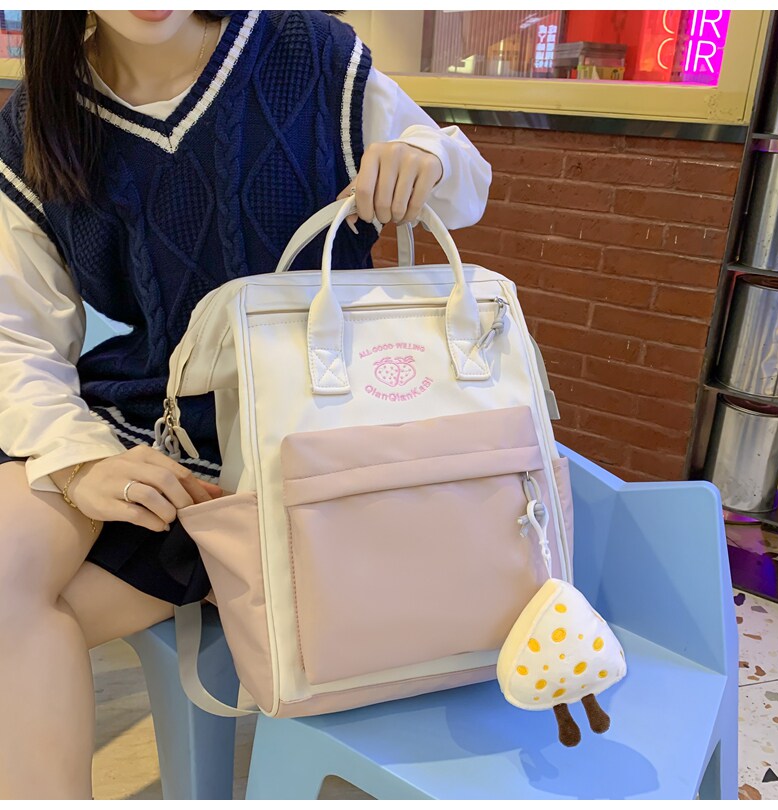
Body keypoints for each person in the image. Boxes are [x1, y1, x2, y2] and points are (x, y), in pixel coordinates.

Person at [0, 9, 490, 799]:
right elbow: (16, 336)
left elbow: (465, 187)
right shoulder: (37, 118)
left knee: (20, 621)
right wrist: (83, 463)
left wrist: (426, 155)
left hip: (310, 438)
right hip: (144, 425)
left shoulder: (309, 51)